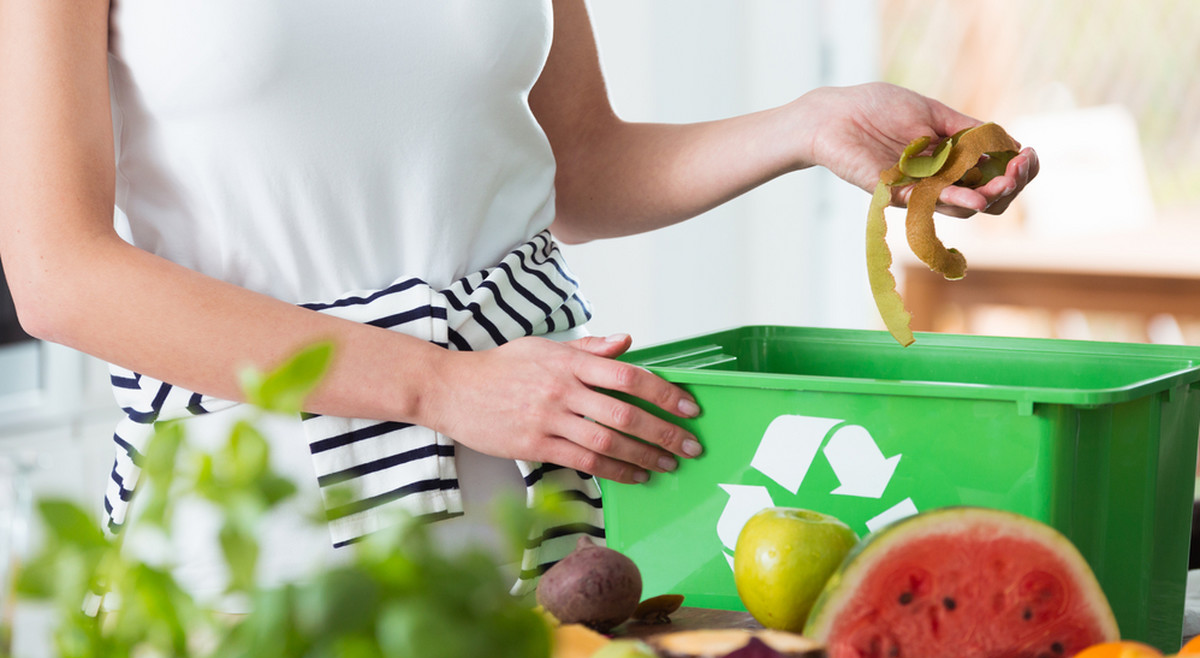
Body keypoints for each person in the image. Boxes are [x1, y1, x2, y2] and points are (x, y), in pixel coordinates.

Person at [0, 0, 1037, 598]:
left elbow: (577, 166)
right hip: (261, 502)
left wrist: (807, 125)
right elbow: (58, 270)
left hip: (532, 474)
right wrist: (437, 385)